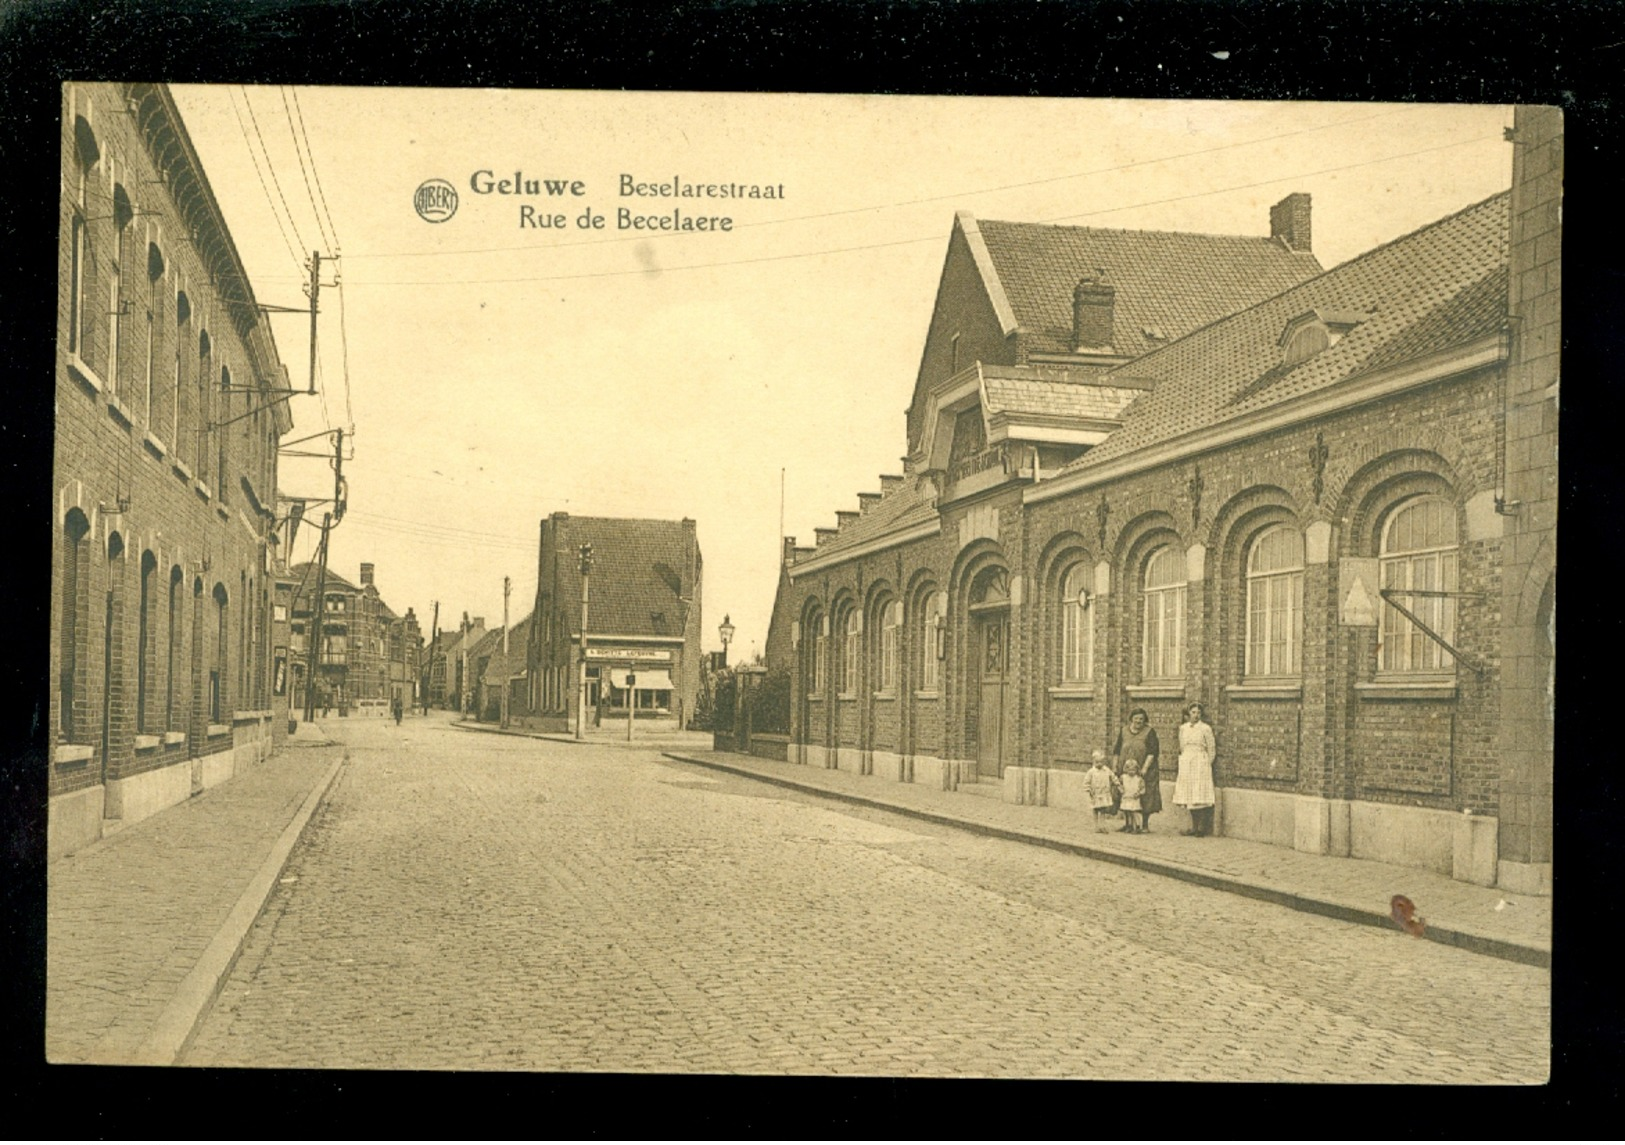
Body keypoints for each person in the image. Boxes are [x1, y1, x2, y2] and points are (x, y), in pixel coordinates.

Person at [1112, 708, 1161, 833]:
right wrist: (1115, 767)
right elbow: (1117, 750)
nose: (1138, 721)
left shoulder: (1149, 732)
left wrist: (1144, 768)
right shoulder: (1124, 731)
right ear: (1131, 719)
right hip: (1126, 770)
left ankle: (1143, 825)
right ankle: (1128, 824)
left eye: (1141, 719)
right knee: (1126, 795)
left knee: (1144, 795)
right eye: (1136, 718)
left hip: (1144, 770)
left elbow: (1152, 752)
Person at [1174, 701, 1218, 836]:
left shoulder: (1205, 728)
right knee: (1190, 794)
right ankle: (1193, 826)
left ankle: (1201, 828)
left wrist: (1206, 764)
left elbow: (1211, 748)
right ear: (1189, 714)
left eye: (1199, 712)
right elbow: (1182, 746)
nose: (1196, 715)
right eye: (1193, 712)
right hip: (1187, 762)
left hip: (1200, 763)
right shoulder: (1183, 728)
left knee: (1199, 793)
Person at [1084, 749, 1121, 833]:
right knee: (1095, 809)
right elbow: (1086, 782)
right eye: (1097, 762)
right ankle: (1096, 825)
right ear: (1093, 761)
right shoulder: (1091, 772)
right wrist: (1088, 790)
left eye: (1101, 762)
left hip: (1104, 793)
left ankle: (1102, 825)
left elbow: (1113, 777)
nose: (1099, 764)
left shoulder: (1106, 770)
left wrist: (1118, 784)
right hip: (1095, 794)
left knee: (1103, 810)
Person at [1119, 759, 1146, 834]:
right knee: (1127, 812)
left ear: (1137, 770)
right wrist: (1121, 790)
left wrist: (1138, 793)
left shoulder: (1138, 779)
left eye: (1133, 770)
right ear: (1126, 769)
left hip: (1134, 798)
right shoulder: (1123, 777)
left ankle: (1137, 826)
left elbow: (1143, 788)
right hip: (1126, 797)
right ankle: (1129, 825)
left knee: (1134, 812)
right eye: (1129, 770)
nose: (1131, 772)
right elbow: (1120, 785)